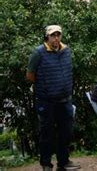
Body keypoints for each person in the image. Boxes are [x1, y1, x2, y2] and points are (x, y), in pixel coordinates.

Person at [26, 25, 81, 171]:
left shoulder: (66, 50)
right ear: (47, 37)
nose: (56, 38)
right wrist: (45, 87)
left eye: (58, 35)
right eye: (53, 35)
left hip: (65, 101)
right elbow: (30, 75)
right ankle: (46, 164)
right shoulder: (38, 53)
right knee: (47, 134)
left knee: (66, 133)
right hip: (47, 102)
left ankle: (63, 162)